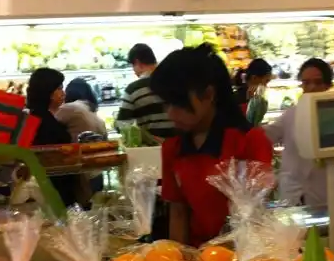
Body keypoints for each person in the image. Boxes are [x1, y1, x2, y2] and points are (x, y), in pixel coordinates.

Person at [151, 44, 273, 247]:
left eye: (178, 103)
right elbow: (178, 213)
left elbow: (254, 217)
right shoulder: (173, 148)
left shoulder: (249, 141)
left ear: (208, 94)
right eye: (166, 103)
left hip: (245, 257)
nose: (170, 113)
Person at [264, 58, 334, 210]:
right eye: (306, 83)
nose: (312, 87)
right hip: (293, 194)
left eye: (318, 82)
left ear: (328, 85)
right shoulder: (292, 114)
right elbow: (268, 135)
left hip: (325, 194)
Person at [26, 67, 78, 208]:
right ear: (48, 91)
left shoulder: (36, 117)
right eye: (59, 88)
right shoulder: (44, 122)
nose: (63, 93)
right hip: (56, 191)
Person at [57, 78, 108, 197]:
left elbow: (49, 123)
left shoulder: (69, 108)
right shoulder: (94, 114)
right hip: (97, 172)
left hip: (82, 173)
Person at [116, 43, 174, 138]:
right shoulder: (176, 82)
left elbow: (122, 124)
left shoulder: (133, 89)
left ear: (137, 62)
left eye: (133, 66)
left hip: (152, 147)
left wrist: (116, 124)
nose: (134, 71)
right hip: (181, 146)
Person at [233, 58, 273, 123]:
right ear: (254, 78)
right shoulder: (243, 100)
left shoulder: (250, 97)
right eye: (266, 81)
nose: (266, 86)